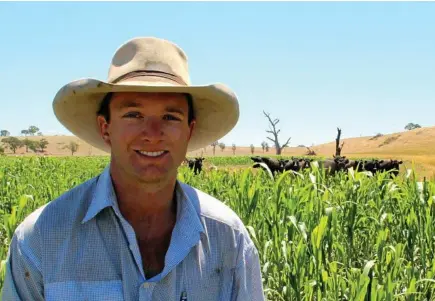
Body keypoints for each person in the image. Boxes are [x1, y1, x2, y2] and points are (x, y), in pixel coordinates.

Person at [2, 36, 265, 300]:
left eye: (170, 117)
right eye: (133, 115)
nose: (152, 134)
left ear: (189, 131)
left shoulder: (228, 238)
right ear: (106, 128)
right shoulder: (41, 239)